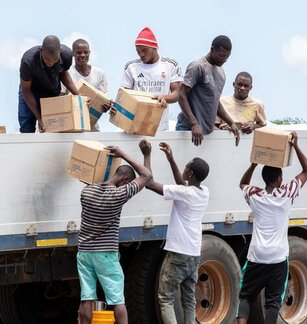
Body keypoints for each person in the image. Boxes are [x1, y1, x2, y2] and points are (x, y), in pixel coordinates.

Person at [237, 131, 307, 324]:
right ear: (279, 180)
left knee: (245, 296)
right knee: (272, 303)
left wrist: (253, 163)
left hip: (256, 255)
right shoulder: (286, 194)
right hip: (278, 257)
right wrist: (295, 146)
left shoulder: (255, 195)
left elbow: (243, 183)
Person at [77, 145, 152, 324]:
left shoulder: (86, 192)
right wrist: (124, 153)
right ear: (124, 179)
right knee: (117, 300)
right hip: (106, 256)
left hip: (84, 253)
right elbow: (147, 176)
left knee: (86, 298)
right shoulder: (119, 195)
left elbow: (92, 178)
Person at [139, 139, 209, 324]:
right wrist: (171, 159)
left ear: (191, 173)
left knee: (166, 298)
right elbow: (182, 186)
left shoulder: (185, 193)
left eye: (186, 168)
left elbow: (149, 183)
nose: (184, 171)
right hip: (194, 254)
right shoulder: (204, 192)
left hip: (179, 254)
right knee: (188, 301)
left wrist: (147, 154)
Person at [113, 27, 182, 131]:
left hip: (160, 128)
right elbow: (123, 96)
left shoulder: (170, 65)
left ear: (155, 47)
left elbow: (177, 94)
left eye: (145, 50)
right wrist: (116, 108)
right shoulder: (131, 67)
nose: (141, 54)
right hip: (134, 127)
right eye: (138, 51)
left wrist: (163, 98)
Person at [176, 35, 240, 146]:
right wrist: (194, 123)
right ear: (212, 49)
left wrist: (231, 122)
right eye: (221, 56)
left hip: (207, 131)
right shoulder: (198, 66)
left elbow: (215, 102)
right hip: (189, 128)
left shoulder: (221, 73)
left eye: (226, 57)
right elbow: (181, 94)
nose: (223, 60)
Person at [18, 35, 79, 133]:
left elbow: (64, 75)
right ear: (41, 50)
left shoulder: (67, 55)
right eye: (46, 59)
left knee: (52, 128)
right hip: (30, 92)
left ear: (60, 52)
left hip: (51, 92)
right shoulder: (28, 61)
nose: (50, 63)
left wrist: (78, 96)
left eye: (55, 60)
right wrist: (39, 118)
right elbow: (26, 90)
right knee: (27, 128)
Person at [61, 38, 109, 131]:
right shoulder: (67, 73)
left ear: (89, 53)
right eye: (79, 52)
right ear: (73, 54)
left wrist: (105, 106)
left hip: (92, 125)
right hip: (72, 124)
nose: (83, 55)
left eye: (86, 52)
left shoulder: (99, 73)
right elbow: (61, 98)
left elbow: (103, 98)